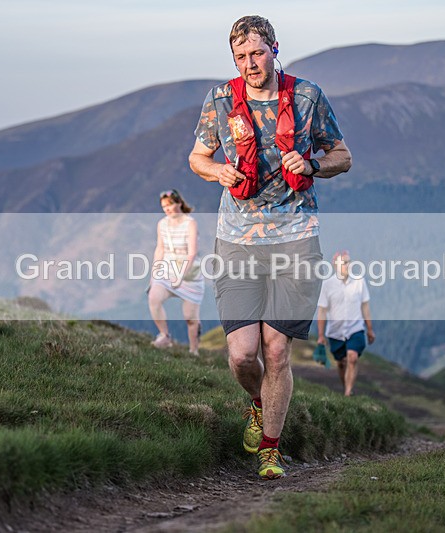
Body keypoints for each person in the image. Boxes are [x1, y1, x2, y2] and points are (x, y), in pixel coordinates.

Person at [188, 15, 352, 479]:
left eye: (256, 54)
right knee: (242, 354)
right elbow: (198, 157)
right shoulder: (220, 99)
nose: (248, 64)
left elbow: (343, 156)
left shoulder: (306, 96)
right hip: (236, 240)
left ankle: (271, 451)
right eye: (240, 57)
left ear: (275, 49)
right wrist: (217, 171)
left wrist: (314, 163)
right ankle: (259, 406)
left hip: (296, 239)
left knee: (276, 352)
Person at [148, 189, 204, 355]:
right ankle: (164, 336)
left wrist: (181, 276)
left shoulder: (190, 223)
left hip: (189, 274)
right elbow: (160, 248)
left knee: (190, 317)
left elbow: (192, 253)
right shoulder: (162, 224)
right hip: (168, 269)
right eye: (164, 206)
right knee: (153, 297)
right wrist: (155, 271)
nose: (167, 209)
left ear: (179, 203)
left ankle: (194, 350)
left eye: (170, 204)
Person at [317, 251, 375, 397]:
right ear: (335, 265)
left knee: (352, 357)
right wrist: (320, 335)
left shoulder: (359, 282)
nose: (347, 266)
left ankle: (348, 392)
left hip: (355, 329)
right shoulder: (327, 285)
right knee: (341, 363)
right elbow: (322, 311)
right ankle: (346, 388)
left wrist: (369, 329)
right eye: (344, 263)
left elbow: (365, 307)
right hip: (335, 332)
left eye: (349, 262)